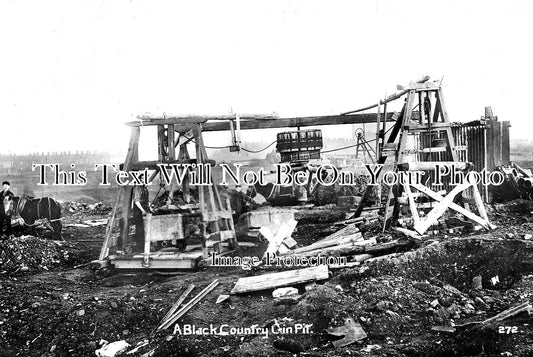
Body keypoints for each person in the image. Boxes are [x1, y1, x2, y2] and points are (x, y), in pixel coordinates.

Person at [132, 184, 150, 252]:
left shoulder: (144, 188)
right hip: (138, 210)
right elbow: (136, 201)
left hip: (144, 208)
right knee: (139, 229)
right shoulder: (137, 188)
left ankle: (144, 246)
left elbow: (146, 200)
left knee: (144, 229)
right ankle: (139, 247)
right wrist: (142, 210)